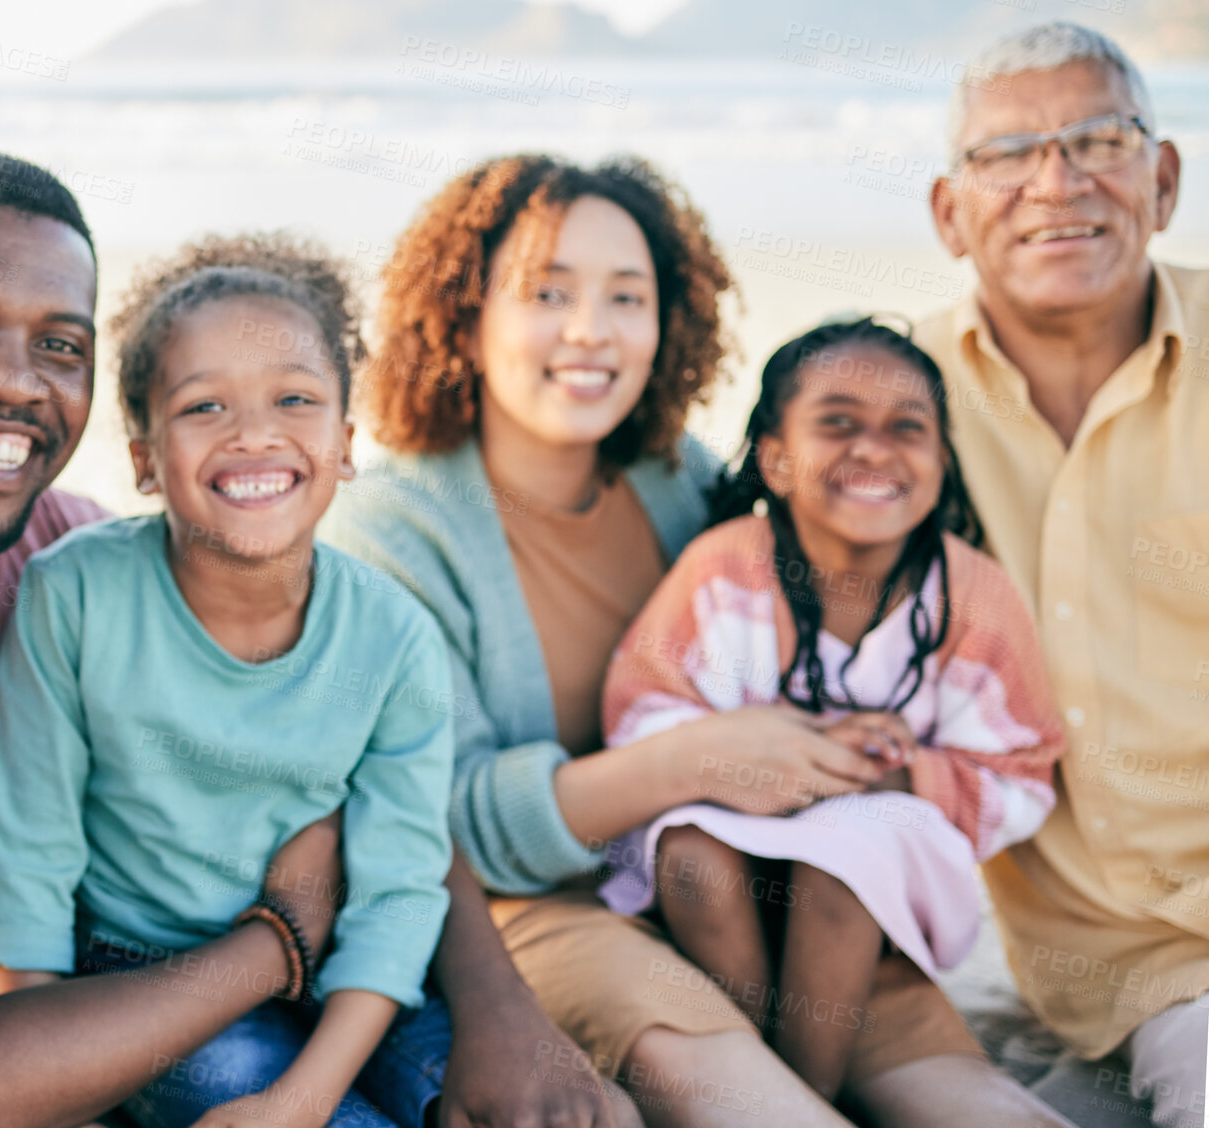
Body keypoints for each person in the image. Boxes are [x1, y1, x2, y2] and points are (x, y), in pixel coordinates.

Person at [0, 154, 627, 1128]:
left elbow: (379, 798)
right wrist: (276, 938)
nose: (11, 380)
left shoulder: (72, 547)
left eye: (62, 343)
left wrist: (506, 1016)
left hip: (167, 1028)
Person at [323, 152, 1075, 1126]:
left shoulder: (679, 484)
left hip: (773, 890)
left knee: (984, 1106)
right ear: (467, 315)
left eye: (626, 298)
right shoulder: (396, 529)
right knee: (765, 1102)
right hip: (550, 911)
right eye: (546, 292)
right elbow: (440, 822)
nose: (591, 330)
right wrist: (699, 761)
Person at [0, 233, 455, 1128]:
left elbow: (398, 896)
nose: (254, 433)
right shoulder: (74, 596)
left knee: (478, 1096)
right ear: (146, 458)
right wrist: (33, 1084)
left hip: (353, 975)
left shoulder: (396, 638)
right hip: (141, 977)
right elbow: (24, 866)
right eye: (204, 407)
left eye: (295, 398)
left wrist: (300, 1101)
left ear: (346, 443)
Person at [596, 317, 1065, 1102]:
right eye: (837, 422)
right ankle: (750, 1076)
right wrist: (786, 751)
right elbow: (643, 712)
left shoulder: (972, 595)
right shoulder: (722, 569)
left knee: (838, 860)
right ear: (775, 461)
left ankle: (803, 1095)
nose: (874, 449)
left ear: (941, 462)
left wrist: (885, 772)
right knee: (688, 856)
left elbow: (1018, 769)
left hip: (881, 831)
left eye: (906, 427)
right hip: (730, 814)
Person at [918, 21, 1207, 1128]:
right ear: (950, 212)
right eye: (1006, 155)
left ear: (1163, 178)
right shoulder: (892, 415)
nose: (1057, 181)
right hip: (1136, 964)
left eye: (1100, 138)